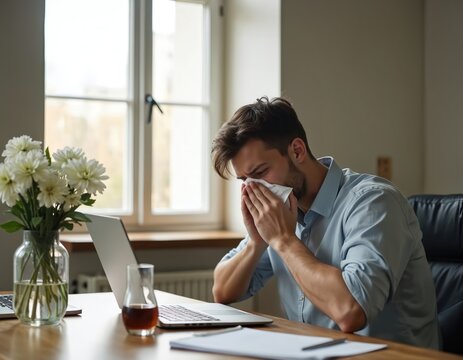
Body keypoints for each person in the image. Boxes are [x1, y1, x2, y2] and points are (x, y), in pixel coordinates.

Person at [211, 96, 440, 349]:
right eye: (245, 180)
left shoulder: (373, 202)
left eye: (260, 173)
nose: (254, 189)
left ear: (297, 151)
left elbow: (351, 311)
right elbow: (222, 291)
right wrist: (256, 242)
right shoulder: (283, 212)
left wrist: (284, 241)